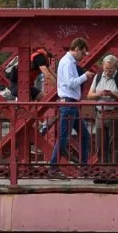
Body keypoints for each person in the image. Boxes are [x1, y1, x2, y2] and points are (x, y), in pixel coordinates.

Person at [49, 38, 91, 172]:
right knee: (64, 137)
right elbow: (70, 83)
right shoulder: (68, 63)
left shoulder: (68, 62)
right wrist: (85, 76)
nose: (83, 56)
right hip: (69, 104)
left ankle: (83, 167)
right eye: (83, 53)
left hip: (71, 104)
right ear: (77, 49)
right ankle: (53, 167)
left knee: (84, 135)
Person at [90, 53, 118, 180]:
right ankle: (103, 173)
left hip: (114, 113)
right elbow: (90, 96)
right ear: (103, 67)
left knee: (114, 144)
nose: (108, 72)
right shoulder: (98, 77)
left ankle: (114, 174)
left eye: (111, 69)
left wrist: (113, 95)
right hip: (100, 114)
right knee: (101, 145)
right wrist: (99, 94)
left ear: (115, 67)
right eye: (106, 69)